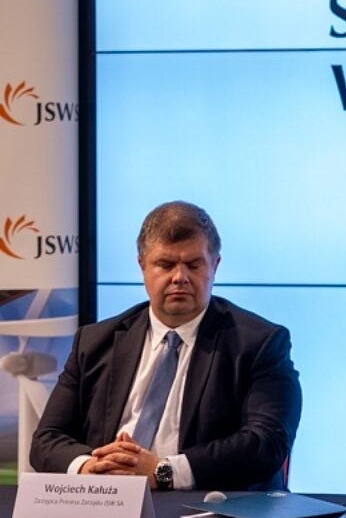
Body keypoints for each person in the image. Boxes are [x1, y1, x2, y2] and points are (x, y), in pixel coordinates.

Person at [31, 201, 301, 491]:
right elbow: (46, 439)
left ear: (215, 265)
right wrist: (91, 468)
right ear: (142, 266)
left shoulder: (260, 343)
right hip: (106, 502)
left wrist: (164, 471)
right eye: (166, 264)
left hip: (205, 508)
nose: (179, 277)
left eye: (194, 265)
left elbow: (265, 444)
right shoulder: (94, 342)